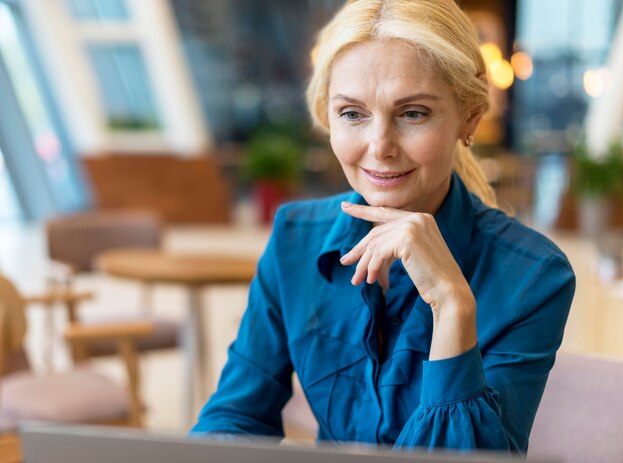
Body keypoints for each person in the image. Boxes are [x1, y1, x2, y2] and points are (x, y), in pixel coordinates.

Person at [191, 0, 575, 453]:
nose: (380, 147)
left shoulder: (533, 276)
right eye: (352, 113)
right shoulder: (296, 238)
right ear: (327, 118)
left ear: (469, 116)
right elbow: (236, 416)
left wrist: (451, 305)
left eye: (413, 113)